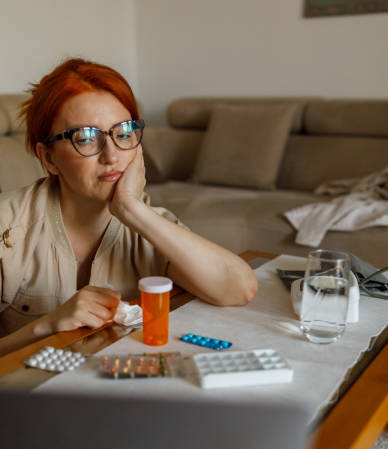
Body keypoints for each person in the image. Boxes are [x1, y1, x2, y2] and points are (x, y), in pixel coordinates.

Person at [0, 58, 257, 356]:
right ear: (48, 158)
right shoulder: (7, 225)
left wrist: (132, 210)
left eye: (123, 134)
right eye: (85, 138)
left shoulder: (147, 224)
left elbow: (239, 289)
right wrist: (46, 326)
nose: (111, 156)